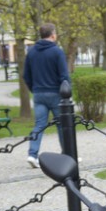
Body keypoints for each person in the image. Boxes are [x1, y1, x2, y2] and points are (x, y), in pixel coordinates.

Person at [22, 23, 70, 168]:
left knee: (39, 125)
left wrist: (34, 89)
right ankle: (68, 154)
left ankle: (32, 154)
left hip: (38, 93)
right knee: (62, 125)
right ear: (53, 35)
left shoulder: (31, 52)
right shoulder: (57, 52)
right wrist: (67, 94)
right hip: (55, 93)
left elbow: (26, 75)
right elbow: (64, 76)